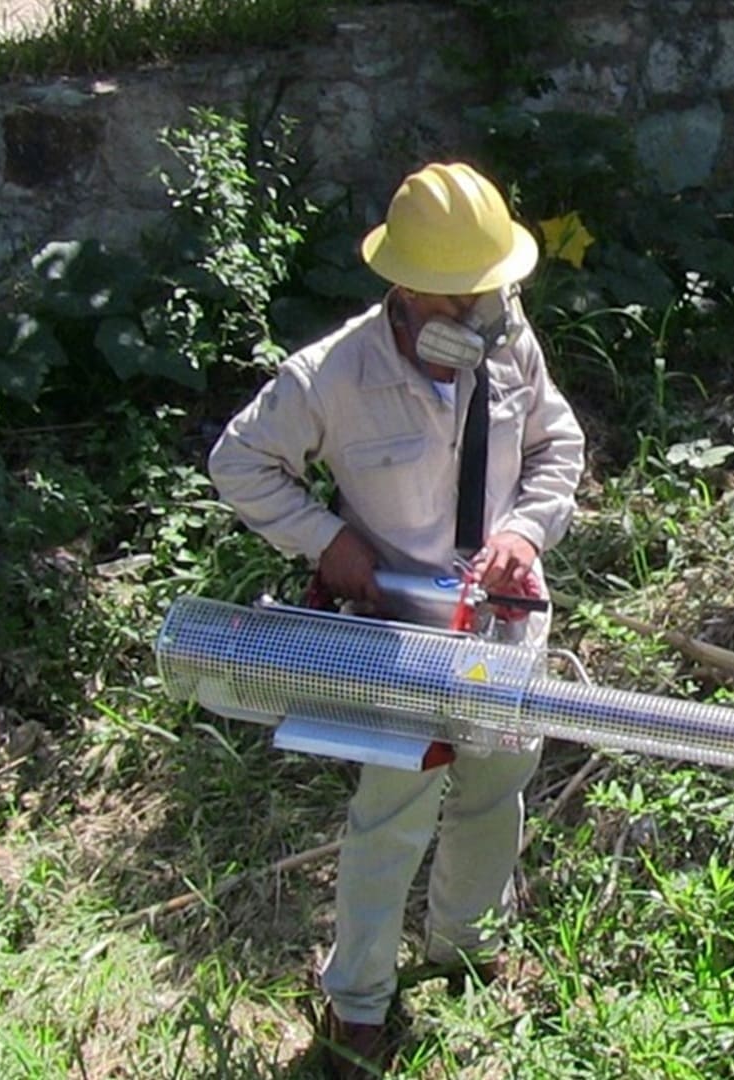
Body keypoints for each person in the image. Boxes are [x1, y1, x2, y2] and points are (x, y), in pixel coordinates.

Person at [207, 161, 586, 1076]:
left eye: (490, 294)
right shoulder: (332, 375)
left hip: (501, 624)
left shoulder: (510, 338)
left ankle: (465, 952)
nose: (481, 315)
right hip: (400, 637)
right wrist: (327, 540)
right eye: (458, 300)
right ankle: (359, 1006)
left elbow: (555, 443)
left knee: (495, 794)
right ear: (405, 289)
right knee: (392, 818)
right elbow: (238, 463)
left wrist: (525, 536)